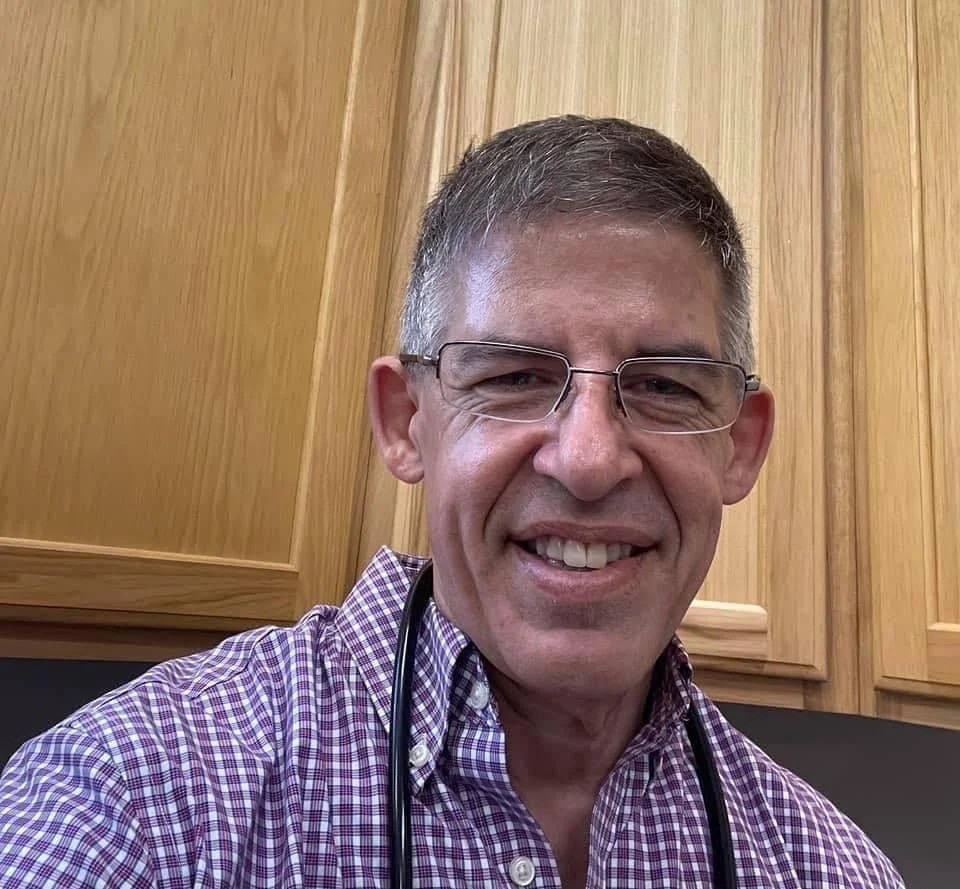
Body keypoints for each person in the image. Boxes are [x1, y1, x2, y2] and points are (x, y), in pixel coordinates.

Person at [0, 116, 902, 888]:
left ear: (739, 444)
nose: (590, 460)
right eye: (513, 376)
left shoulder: (829, 867)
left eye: (665, 386)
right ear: (406, 421)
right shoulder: (135, 800)